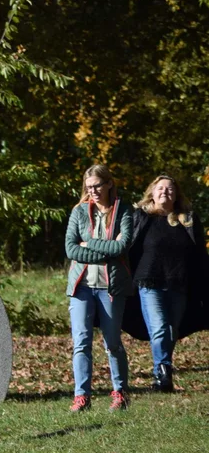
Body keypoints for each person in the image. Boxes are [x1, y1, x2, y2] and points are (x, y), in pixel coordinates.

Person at [124, 175, 209, 392]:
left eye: (170, 189)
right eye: (160, 188)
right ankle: (162, 373)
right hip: (148, 282)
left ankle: (163, 372)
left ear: (177, 195)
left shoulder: (187, 220)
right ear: (151, 193)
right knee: (160, 328)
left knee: (171, 331)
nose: (164, 192)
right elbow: (128, 248)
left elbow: (199, 254)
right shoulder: (141, 217)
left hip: (179, 283)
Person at [63, 164, 134, 412]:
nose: (93, 191)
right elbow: (71, 249)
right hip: (81, 287)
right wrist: (105, 249)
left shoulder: (124, 211)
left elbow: (121, 248)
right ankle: (82, 396)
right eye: (88, 187)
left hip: (110, 287)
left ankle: (120, 392)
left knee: (112, 343)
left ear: (109, 184)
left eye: (97, 186)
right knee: (81, 342)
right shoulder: (79, 212)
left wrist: (89, 243)